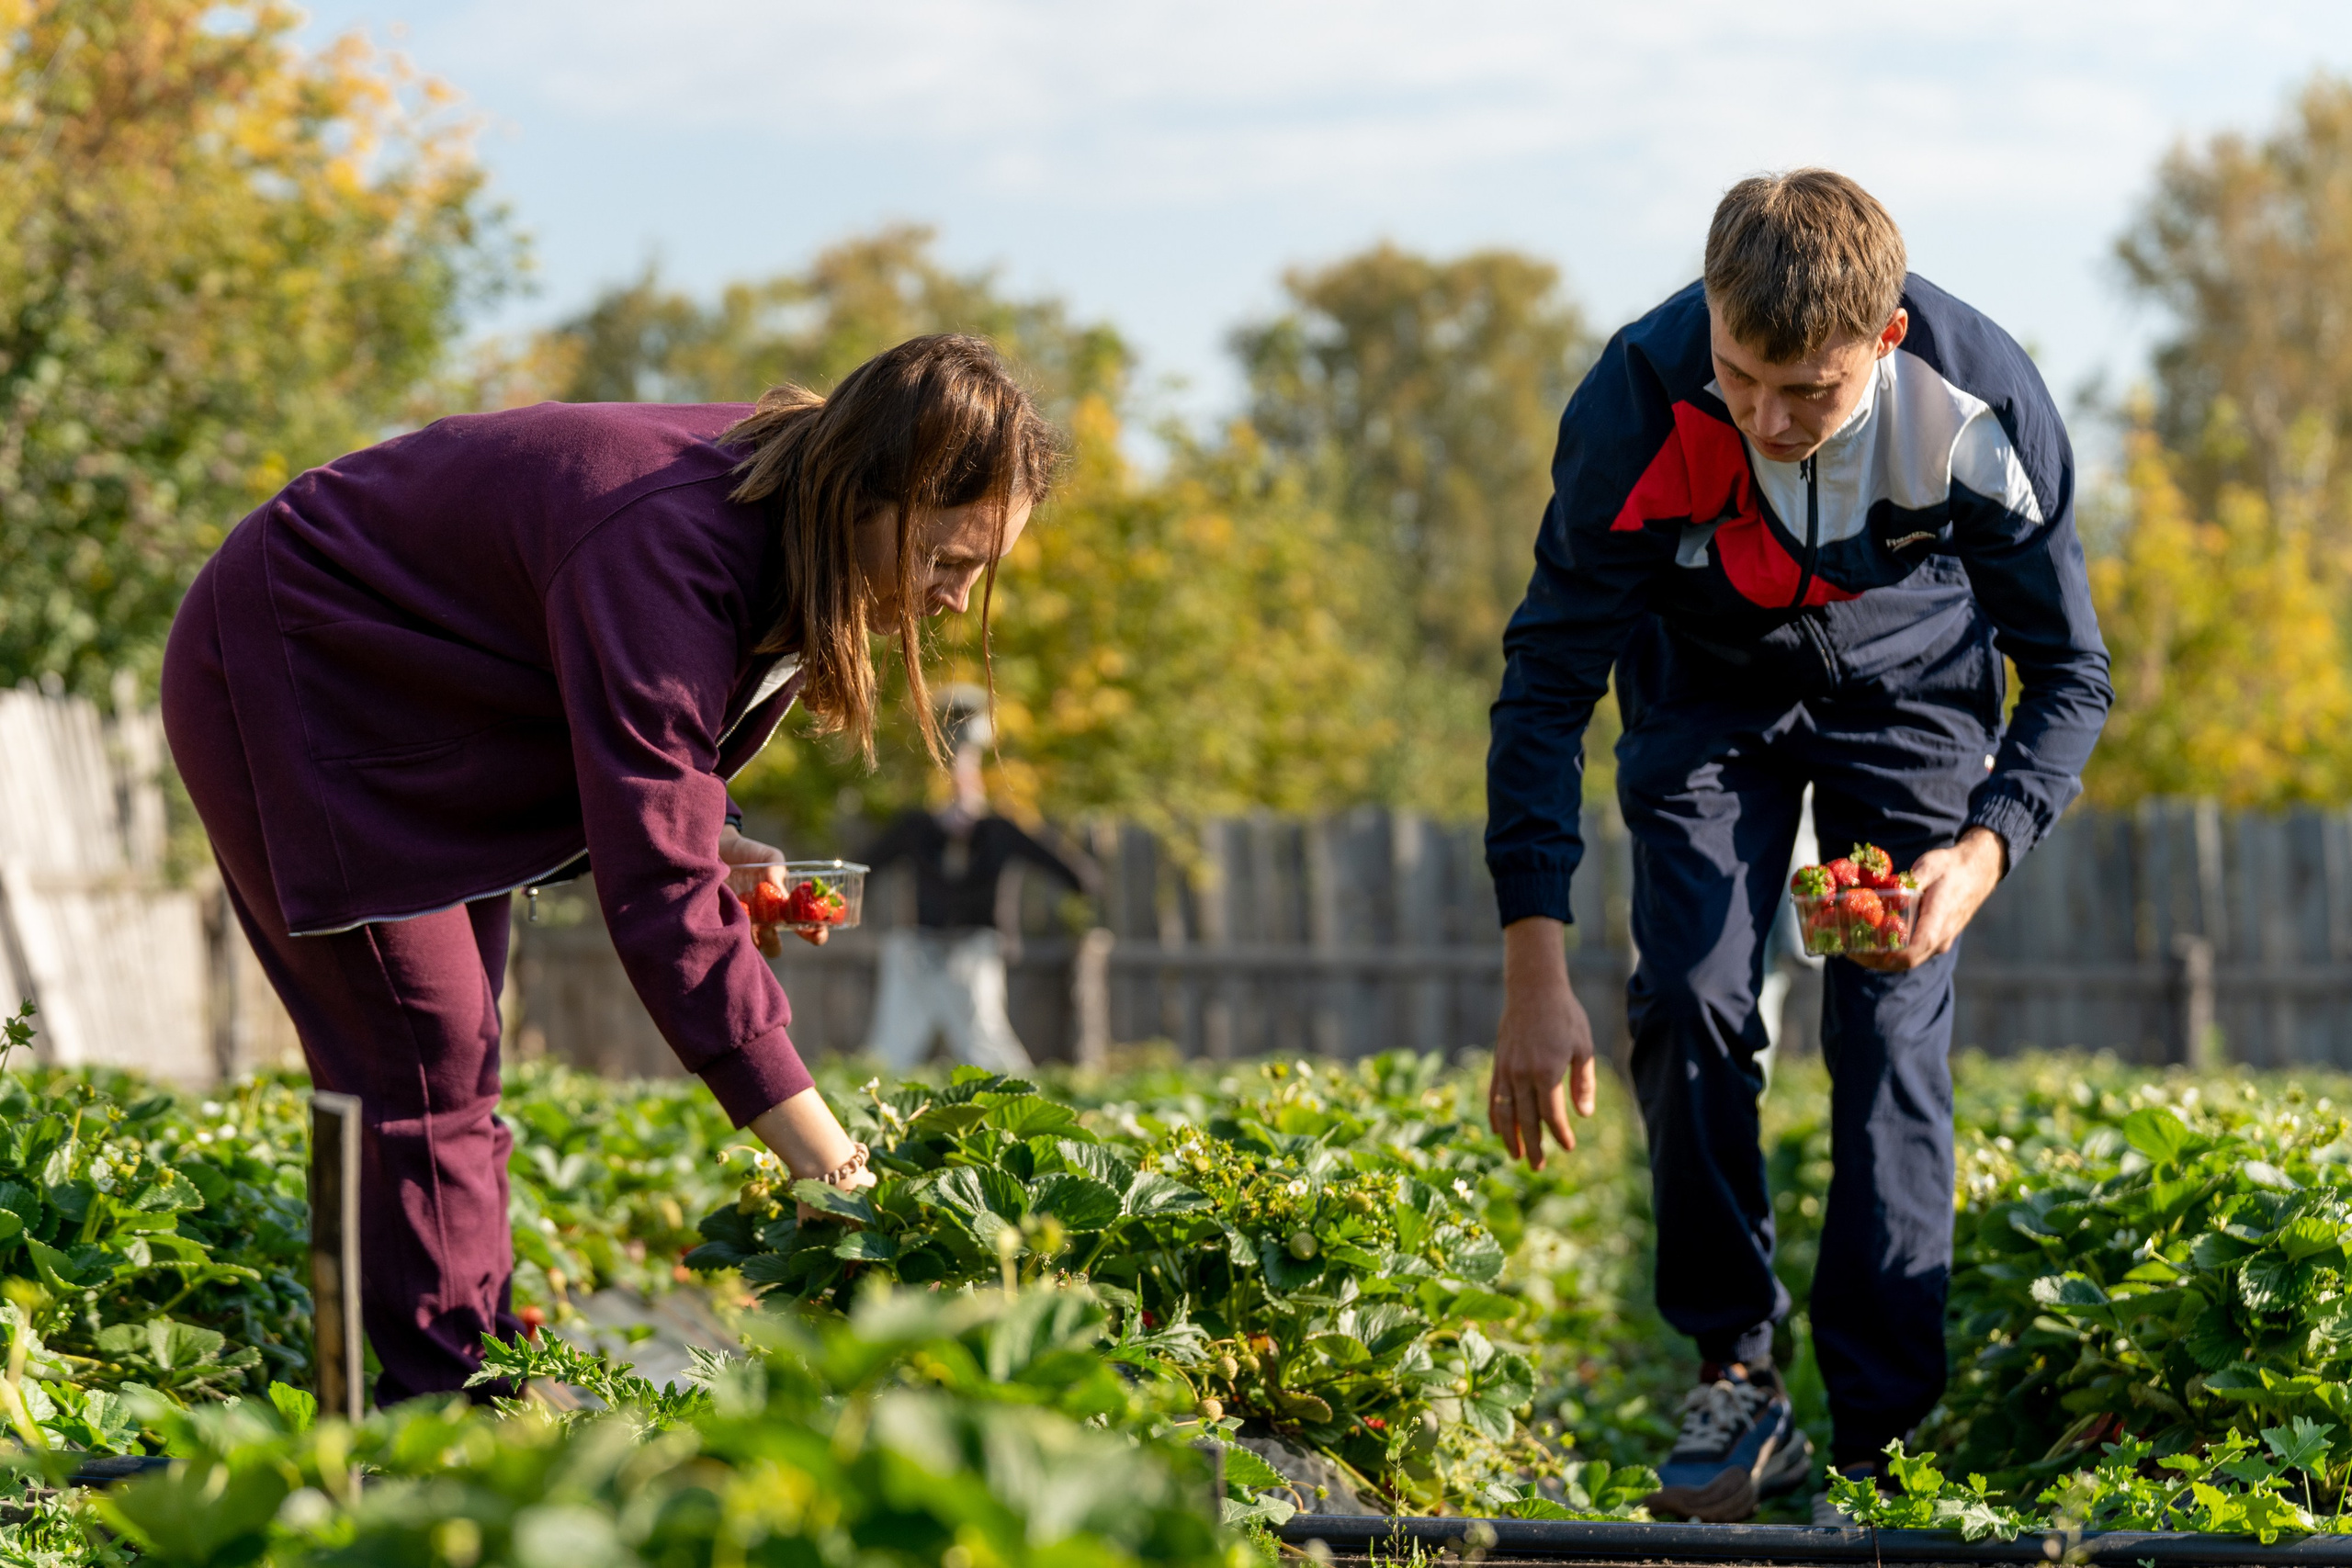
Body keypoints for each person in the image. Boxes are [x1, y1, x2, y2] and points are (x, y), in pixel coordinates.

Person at [161, 334, 1057, 1404]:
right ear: (877, 490)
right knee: (420, 1057)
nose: (956, 599)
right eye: (946, 561)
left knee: (454, 1064)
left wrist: (706, 826)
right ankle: (426, 1415)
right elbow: (658, 895)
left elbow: (646, 735)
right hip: (300, 668)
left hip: (442, 699)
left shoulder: (791, 512)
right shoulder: (672, 536)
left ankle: (468, 1364)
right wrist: (827, 1161)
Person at [1482, 171, 2111, 1523]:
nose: (1764, 419)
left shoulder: (1982, 405)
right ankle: (1737, 1377)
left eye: (1806, 394)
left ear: (1883, 344)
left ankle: (1885, 1442)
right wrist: (1536, 967)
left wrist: (1983, 850)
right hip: (1706, 697)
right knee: (1694, 995)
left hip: (1910, 696)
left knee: (1887, 1030)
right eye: (1739, 376)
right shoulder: (1636, 405)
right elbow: (1544, 689)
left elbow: (2070, 675)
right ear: (1707, 319)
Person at [857, 692, 1092, 1070]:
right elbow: (860, 871)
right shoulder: (917, 829)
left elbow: (1077, 876)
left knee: (985, 1043)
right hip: (920, 952)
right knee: (891, 1051)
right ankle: (865, 1116)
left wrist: (1080, 918)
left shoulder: (999, 830)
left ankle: (1020, 1113)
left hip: (975, 950)